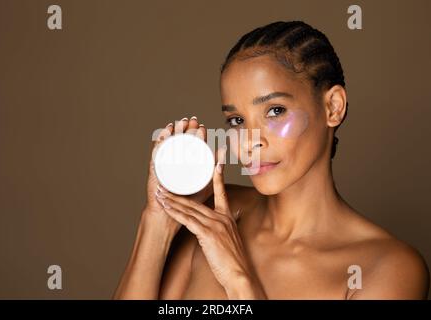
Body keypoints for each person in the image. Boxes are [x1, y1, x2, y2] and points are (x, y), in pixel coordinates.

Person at [114, 21, 429, 299]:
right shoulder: (207, 217)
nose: (251, 141)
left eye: (275, 111)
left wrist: (239, 281)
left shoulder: (387, 268)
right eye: (237, 120)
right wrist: (158, 219)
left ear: (333, 107)